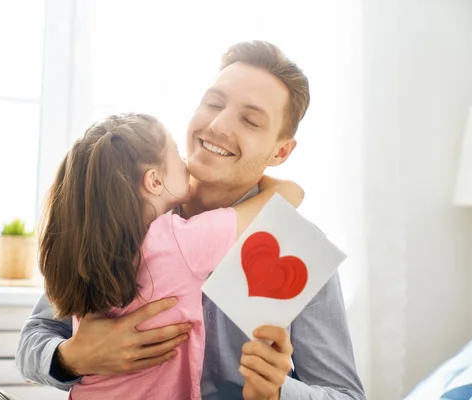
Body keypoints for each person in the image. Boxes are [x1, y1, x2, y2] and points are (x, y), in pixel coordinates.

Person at [0, 41, 366, 400]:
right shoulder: (131, 207)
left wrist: (281, 390)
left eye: (250, 120)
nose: (219, 126)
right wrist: (73, 356)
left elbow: (345, 395)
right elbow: (35, 339)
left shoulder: (293, 248)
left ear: (280, 151)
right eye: (214, 102)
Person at [38, 112, 303, 400]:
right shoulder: (179, 241)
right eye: (176, 152)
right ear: (153, 181)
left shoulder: (85, 251)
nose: (187, 163)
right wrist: (246, 167)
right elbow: (290, 195)